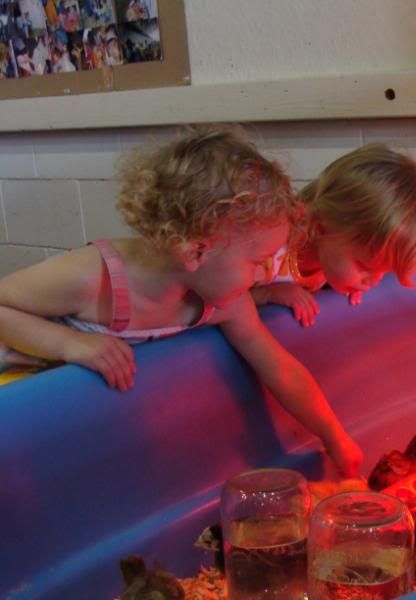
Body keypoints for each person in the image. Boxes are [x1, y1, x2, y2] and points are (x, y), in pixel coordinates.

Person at [0, 126, 363, 477]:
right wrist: (69, 344)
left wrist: (335, 437)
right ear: (195, 252)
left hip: (64, 416)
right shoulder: (94, 278)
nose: (264, 275)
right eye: (258, 262)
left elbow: (281, 369)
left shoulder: (225, 302)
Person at [251, 143, 416, 327]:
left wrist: (339, 285)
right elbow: (223, 302)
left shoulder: (330, 253)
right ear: (321, 227)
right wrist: (268, 294)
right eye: (365, 266)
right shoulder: (269, 248)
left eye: (381, 271)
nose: (372, 282)